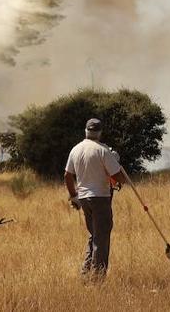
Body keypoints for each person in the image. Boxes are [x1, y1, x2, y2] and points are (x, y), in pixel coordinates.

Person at [64, 117, 129, 279]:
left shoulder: (75, 149)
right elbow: (118, 178)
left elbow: (67, 175)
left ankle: (86, 274)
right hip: (100, 197)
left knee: (94, 235)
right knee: (102, 238)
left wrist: (74, 196)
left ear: (86, 131)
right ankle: (97, 278)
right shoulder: (103, 150)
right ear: (99, 133)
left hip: (84, 198)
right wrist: (116, 161)